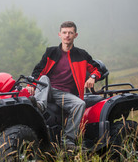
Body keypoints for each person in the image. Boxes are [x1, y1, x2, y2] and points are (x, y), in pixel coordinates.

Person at [26, 21, 103, 151]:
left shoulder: (81, 55)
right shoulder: (51, 52)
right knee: (44, 78)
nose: (67, 35)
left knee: (79, 104)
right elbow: (38, 70)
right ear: (59, 34)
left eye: (70, 33)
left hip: (65, 94)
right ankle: (39, 105)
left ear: (75, 35)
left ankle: (68, 140)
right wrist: (31, 84)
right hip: (47, 89)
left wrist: (92, 77)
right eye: (64, 33)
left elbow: (98, 69)